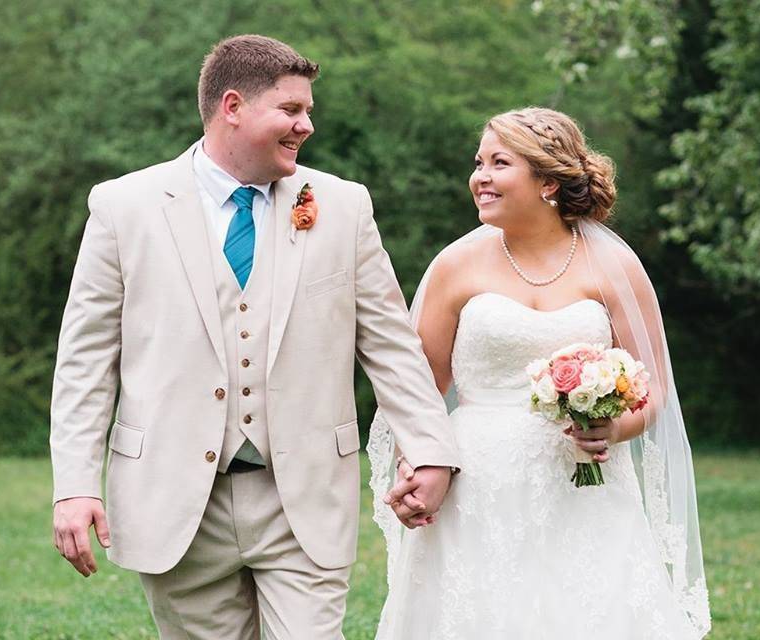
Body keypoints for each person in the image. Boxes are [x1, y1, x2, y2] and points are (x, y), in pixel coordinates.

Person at [49, 34, 460, 639]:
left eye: (308, 112)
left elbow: (391, 344)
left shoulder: (343, 207)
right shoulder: (123, 207)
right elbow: (85, 362)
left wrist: (429, 448)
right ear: (233, 107)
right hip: (175, 499)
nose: (307, 126)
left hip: (305, 493)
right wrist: (75, 486)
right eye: (292, 111)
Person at [370, 107, 711, 638]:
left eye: (499, 163)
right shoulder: (455, 266)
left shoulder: (614, 267)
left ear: (548, 180)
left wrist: (613, 427)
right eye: (478, 162)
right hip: (477, 485)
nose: (479, 176)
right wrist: (420, 466)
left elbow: (654, 389)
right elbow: (418, 390)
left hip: (585, 483)